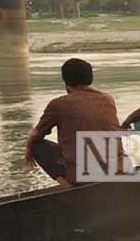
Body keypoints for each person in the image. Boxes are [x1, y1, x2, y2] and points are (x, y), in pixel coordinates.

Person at [25, 58, 122, 186]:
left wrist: (28, 149)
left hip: (83, 176)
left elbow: (37, 134)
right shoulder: (108, 99)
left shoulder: (58, 104)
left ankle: (68, 186)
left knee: (37, 145)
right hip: (119, 169)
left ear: (65, 81)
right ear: (90, 79)